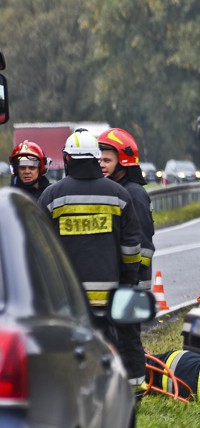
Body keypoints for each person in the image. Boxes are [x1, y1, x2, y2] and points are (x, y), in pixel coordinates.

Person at [38, 128, 144, 385]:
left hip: (68, 299)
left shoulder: (52, 197)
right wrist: (128, 282)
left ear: (68, 159)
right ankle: (132, 388)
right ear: (96, 158)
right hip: (110, 297)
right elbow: (131, 248)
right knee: (120, 345)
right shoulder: (119, 195)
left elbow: (40, 249)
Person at [98, 127, 155, 390]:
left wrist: (130, 279)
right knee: (117, 335)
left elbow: (143, 245)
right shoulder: (118, 190)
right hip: (124, 281)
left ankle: (137, 386)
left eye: (107, 159)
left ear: (123, 161)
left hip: (133, 283)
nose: (101, 164)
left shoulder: (133, 194)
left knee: (128, 337)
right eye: (100, 159)